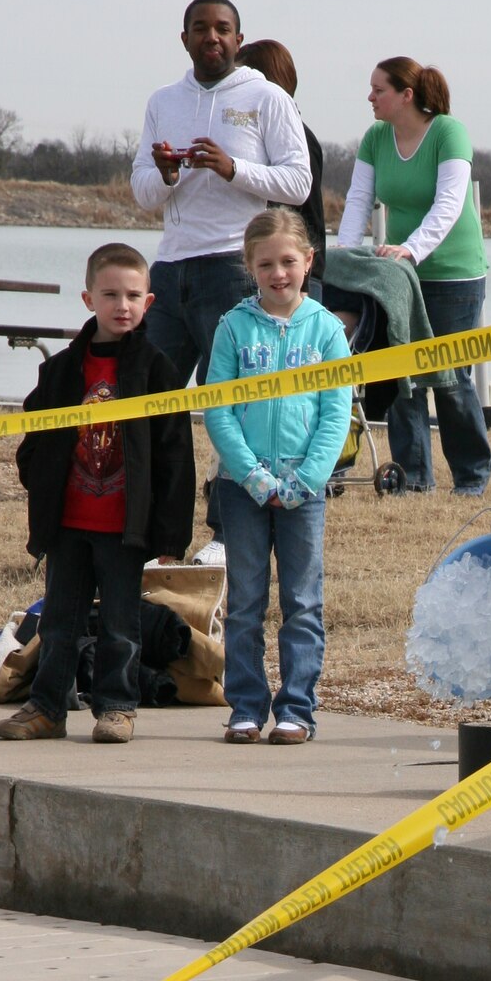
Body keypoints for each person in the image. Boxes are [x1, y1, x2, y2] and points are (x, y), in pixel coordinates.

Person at [0, 244, 195, 746]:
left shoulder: (157, 370)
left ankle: (118, 707)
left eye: (132, 295)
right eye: (110, 294)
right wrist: (38, 484)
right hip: (68, 524)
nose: (121, 305)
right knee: (60, 623)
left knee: (122, 626)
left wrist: (171, 531)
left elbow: (175, 455)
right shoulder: (60, 370)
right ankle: (47, 708)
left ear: (149, 302)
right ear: (89, 299)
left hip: (124, 527)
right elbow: (34, 438)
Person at [132, 0, 313, 551]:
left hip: (233, 269)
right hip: (171, 266)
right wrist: (165, 174)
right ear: (184, 38)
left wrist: (232, 168)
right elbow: (142, 194)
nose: (212, 37)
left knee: (231, 406)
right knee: (148, 401)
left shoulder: (267, 98)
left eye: (223, 29)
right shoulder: (163, 101)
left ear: (238, 39)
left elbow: (298, 184)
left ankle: (224, 535)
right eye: (200, 28)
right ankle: (152, 533)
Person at [203, 210, 352, 744]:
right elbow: (217, 410)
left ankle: (297, 709)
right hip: (241, 490)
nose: (278, 273)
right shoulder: (232, 328)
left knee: (302, 602)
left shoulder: (329, 330)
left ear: (308, 261)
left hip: (304, 494)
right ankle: (245, 706)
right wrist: (251, 475)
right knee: (245, 601)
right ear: (249, 267)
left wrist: (307, 478)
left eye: (288, 261)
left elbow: (336, 413)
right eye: (265, 264)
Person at [335, 57, 491, 496]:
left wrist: (412, 249)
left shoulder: (448, 131)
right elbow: (358, 200)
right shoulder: (375, 137)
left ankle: (471, 477)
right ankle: (414, 478)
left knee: (451, 377)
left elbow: (449, 204)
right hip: (398, 277)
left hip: (453, 273)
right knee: (402, 373)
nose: (369, 97)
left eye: (378, 89)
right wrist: (344, 257)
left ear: (406, 95)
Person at [235, 39, 326, 298]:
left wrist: (305, 284)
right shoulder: (263, 137)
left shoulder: (298, 137)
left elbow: (307, 215)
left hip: (300, 281)